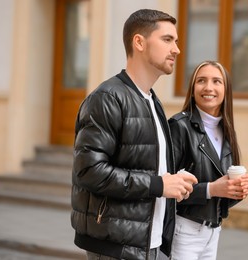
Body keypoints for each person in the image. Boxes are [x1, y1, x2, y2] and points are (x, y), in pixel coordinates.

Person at [71, 9, 198, 260]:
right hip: (114, 245)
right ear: (139, 42)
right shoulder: (108, 98)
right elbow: (89, 172)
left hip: (145, 242)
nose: (176, 49)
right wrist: (160, 184)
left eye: (177, 41)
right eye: (167, 40)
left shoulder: (152, 101)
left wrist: (172, 180)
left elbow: (141, 165)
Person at [168, 61, 248, 260]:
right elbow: (166, 187)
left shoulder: (227, 131)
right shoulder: (179, 126)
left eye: (217, 81)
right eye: (201, 81)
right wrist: (212, 189)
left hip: (213, 232)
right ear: (192, 88)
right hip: (184, 230)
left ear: (226, 90)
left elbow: (220, 194)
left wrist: (235, 192)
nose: (208, 87)